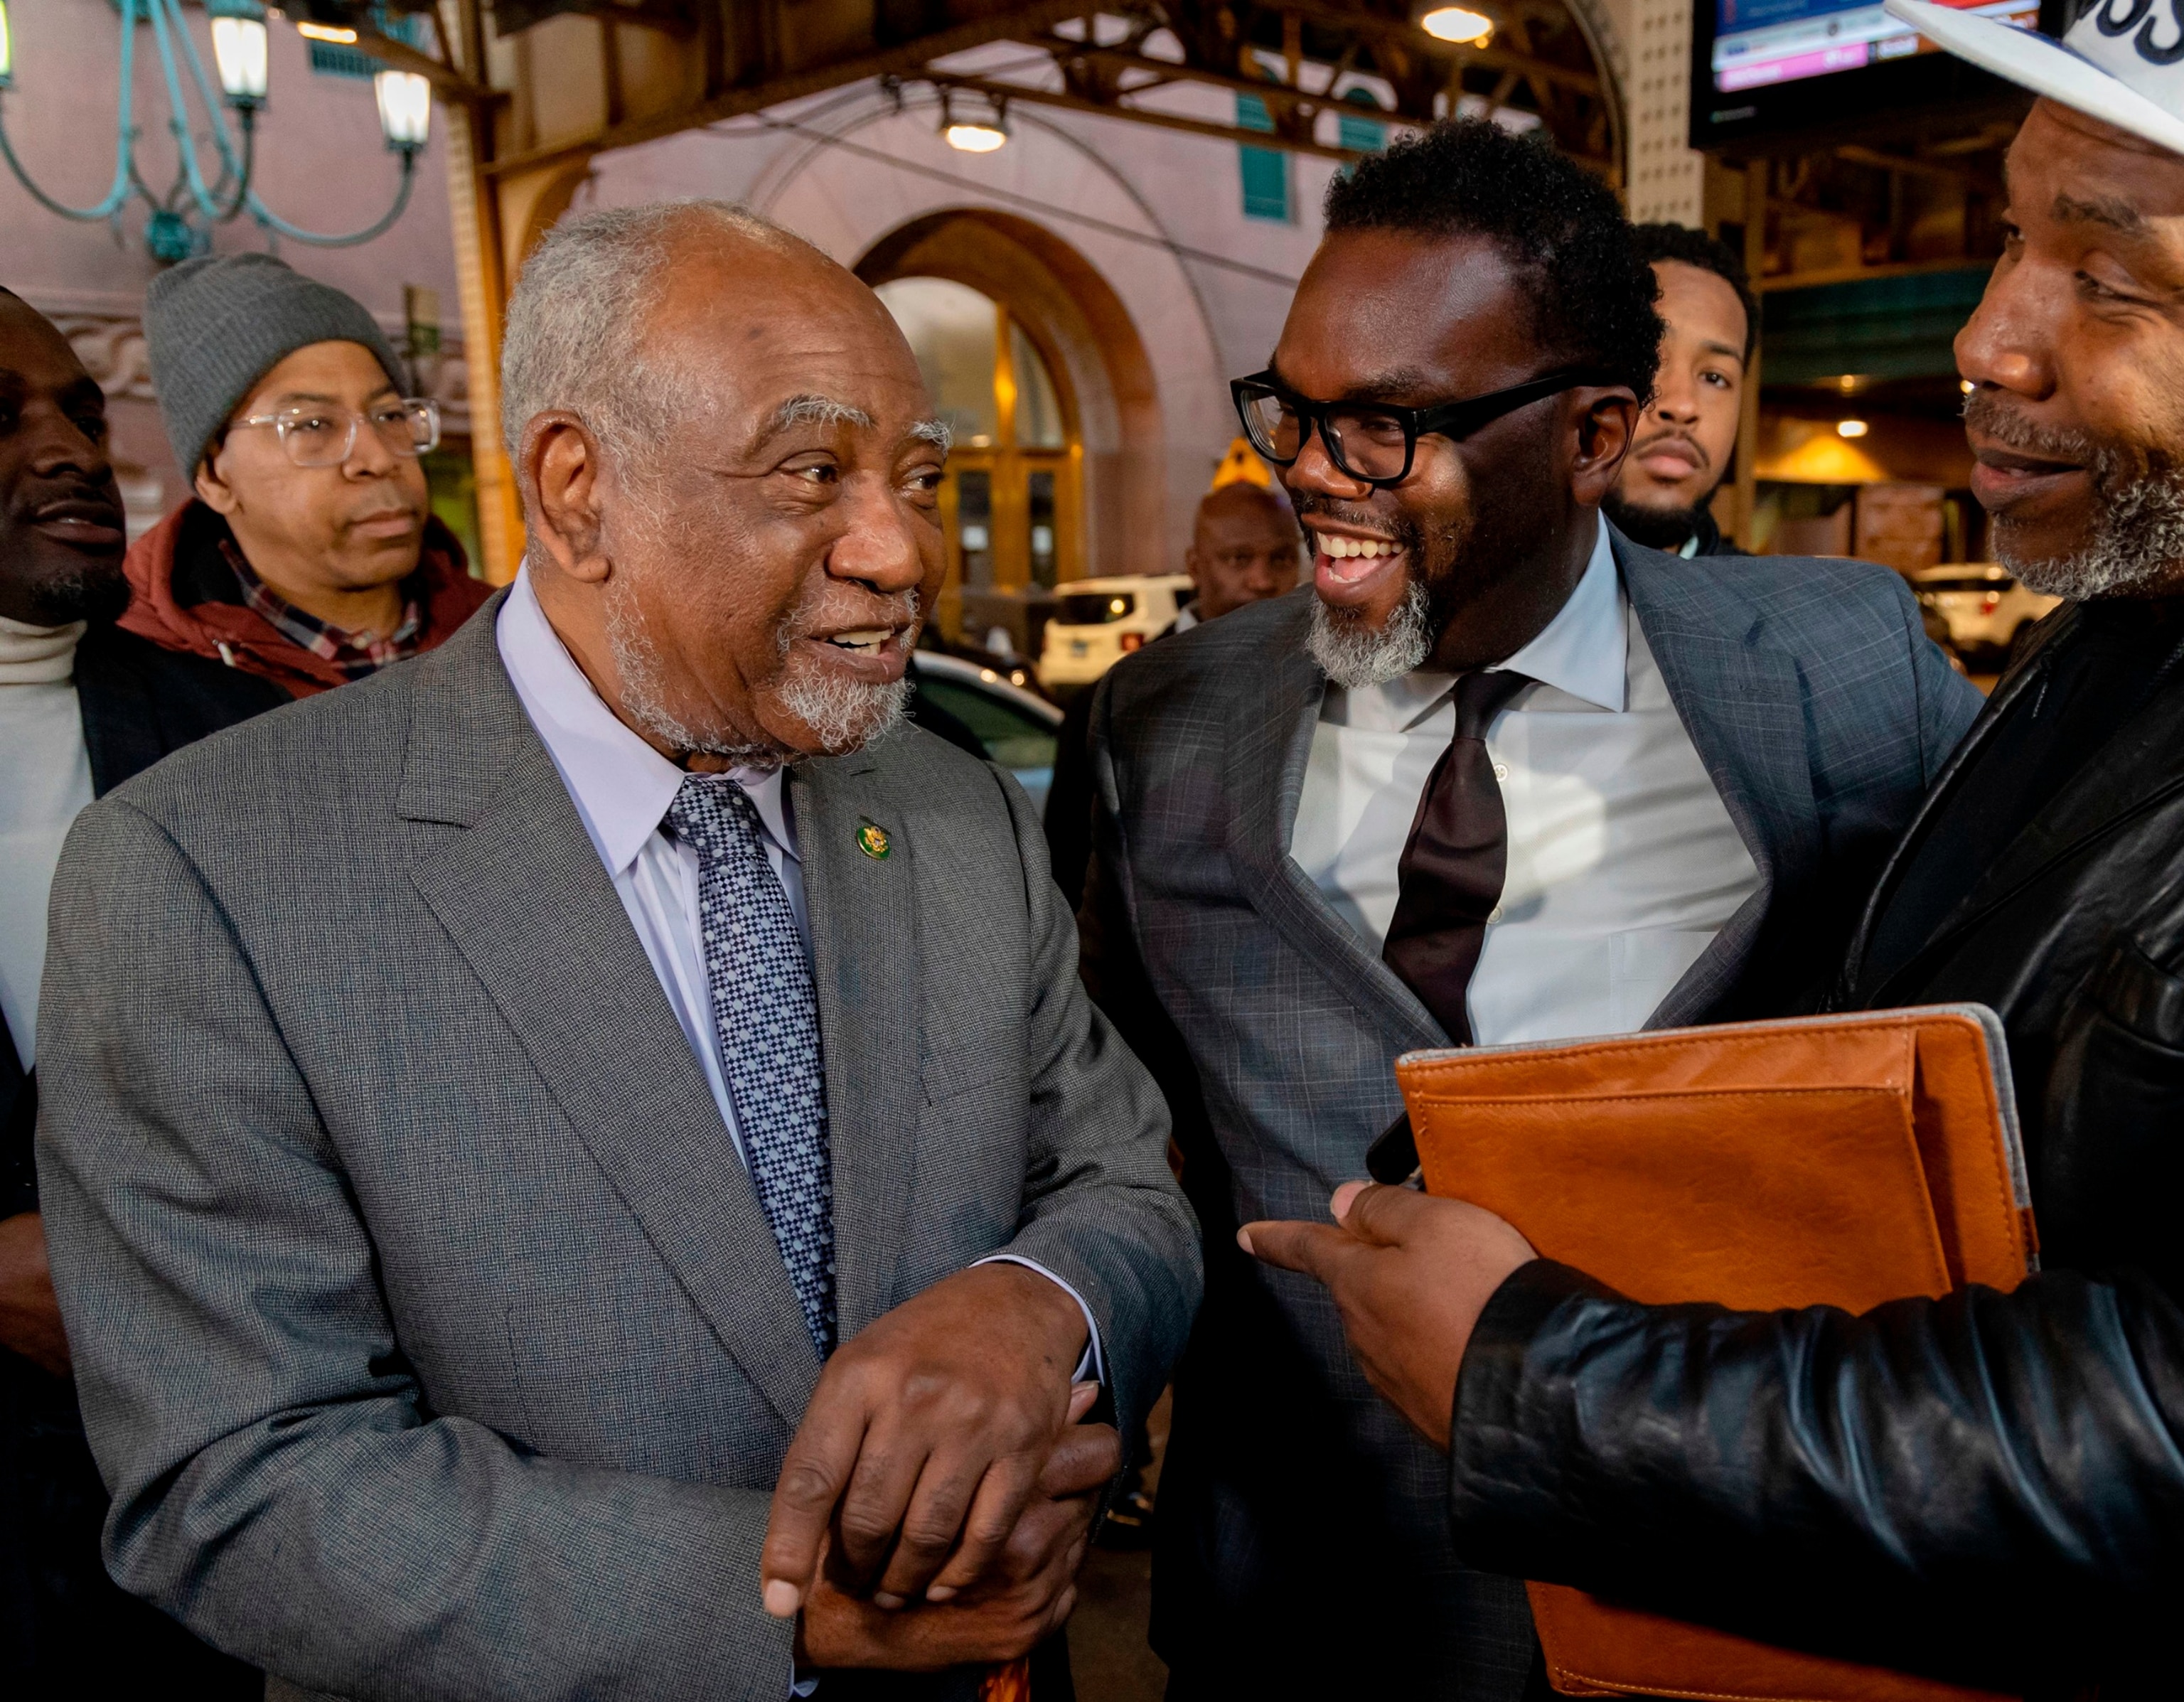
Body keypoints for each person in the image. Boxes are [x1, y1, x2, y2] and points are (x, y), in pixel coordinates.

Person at [34, 202, 1199, 1701]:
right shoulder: (207, 873)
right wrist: (777, 1610)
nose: (899, 547)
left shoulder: (946, 808)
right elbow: (241, 1480)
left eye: (918, 478)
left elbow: (1119, 1177)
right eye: (812, 472)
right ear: (578, 490)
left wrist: (1042, 1309)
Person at [1240, 12, 2184, 1697]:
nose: (1986, 339)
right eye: (2003, 239)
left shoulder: (1838, 661)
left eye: (2107, 280)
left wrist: (1540, 1379)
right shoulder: (2106, 648)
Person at [1080, 119, 1981, 1698]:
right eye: (1293, 410)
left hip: (1703, 1597)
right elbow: (1106, 1120)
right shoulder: (1166, 722)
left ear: (1593, 435)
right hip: (1303, 1609)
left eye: (1386, 428)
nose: (1307, 473)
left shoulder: (1840, 676)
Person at [0, 287, 272, 1696]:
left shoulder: (237, 742)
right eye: (4, 417)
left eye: (81, 414)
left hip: (182, 1514)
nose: (64, 450)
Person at [118, 252, 488, 696]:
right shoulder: (141, 681)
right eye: (313, 425)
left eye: (389, 416)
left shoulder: (508, 634)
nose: (379, 459)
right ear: (215, 477)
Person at [1044, 478, 1300, 908]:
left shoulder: (1326, 684)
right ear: (1196, 567)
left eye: (1281, 558)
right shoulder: (1113, 702)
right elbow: (1068, 873)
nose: (1262, 579)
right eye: (1238, 559)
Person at [1601, 223, 1755, 558]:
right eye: (1648, 360)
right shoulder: (1478, 600)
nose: (1682, 406)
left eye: (1714, 378)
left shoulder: (1775, 607)